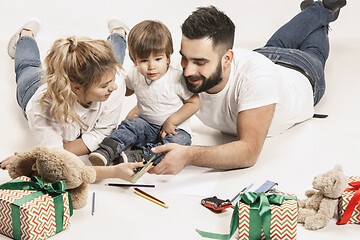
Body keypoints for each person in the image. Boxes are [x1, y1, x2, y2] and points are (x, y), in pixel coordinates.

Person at [148, 0, 347, 175]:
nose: (188, 70)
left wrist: (188, 155)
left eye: (200, 62)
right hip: (264, 53)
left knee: (314, 51)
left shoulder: (256, 79)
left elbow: (248, 152)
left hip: (302, 69)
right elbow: (147, 105)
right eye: (184, 57)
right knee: (276, 43)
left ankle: (322, 8)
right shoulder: (179, 70)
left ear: (227, 59)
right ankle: (314, 10)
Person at [1, 18, 145, 182]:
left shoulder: (114, 80)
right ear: (77, 88)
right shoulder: (42, 108)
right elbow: (57, 166)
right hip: (32, 88)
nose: (115, 87)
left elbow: (103, 132)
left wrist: (43, 154)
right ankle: (26, 35)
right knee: (27, 66)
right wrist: (113, 172)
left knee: (113, 61)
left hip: (85, 79)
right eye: (105, 85)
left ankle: (119, 33)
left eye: (112, 80)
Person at [88, 20, 201, 166]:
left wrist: (172, 121)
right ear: (134, 61)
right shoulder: (135, 75)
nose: (151, 66)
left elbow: (194, 102)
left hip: (175, 129)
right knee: (130, 125)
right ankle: (108, 150)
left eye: (158, 59)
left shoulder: (176, 78)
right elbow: (124, 90)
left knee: (181, 142)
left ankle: (140, 156)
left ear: (168, 57)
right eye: (144, 60)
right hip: (147, 126)